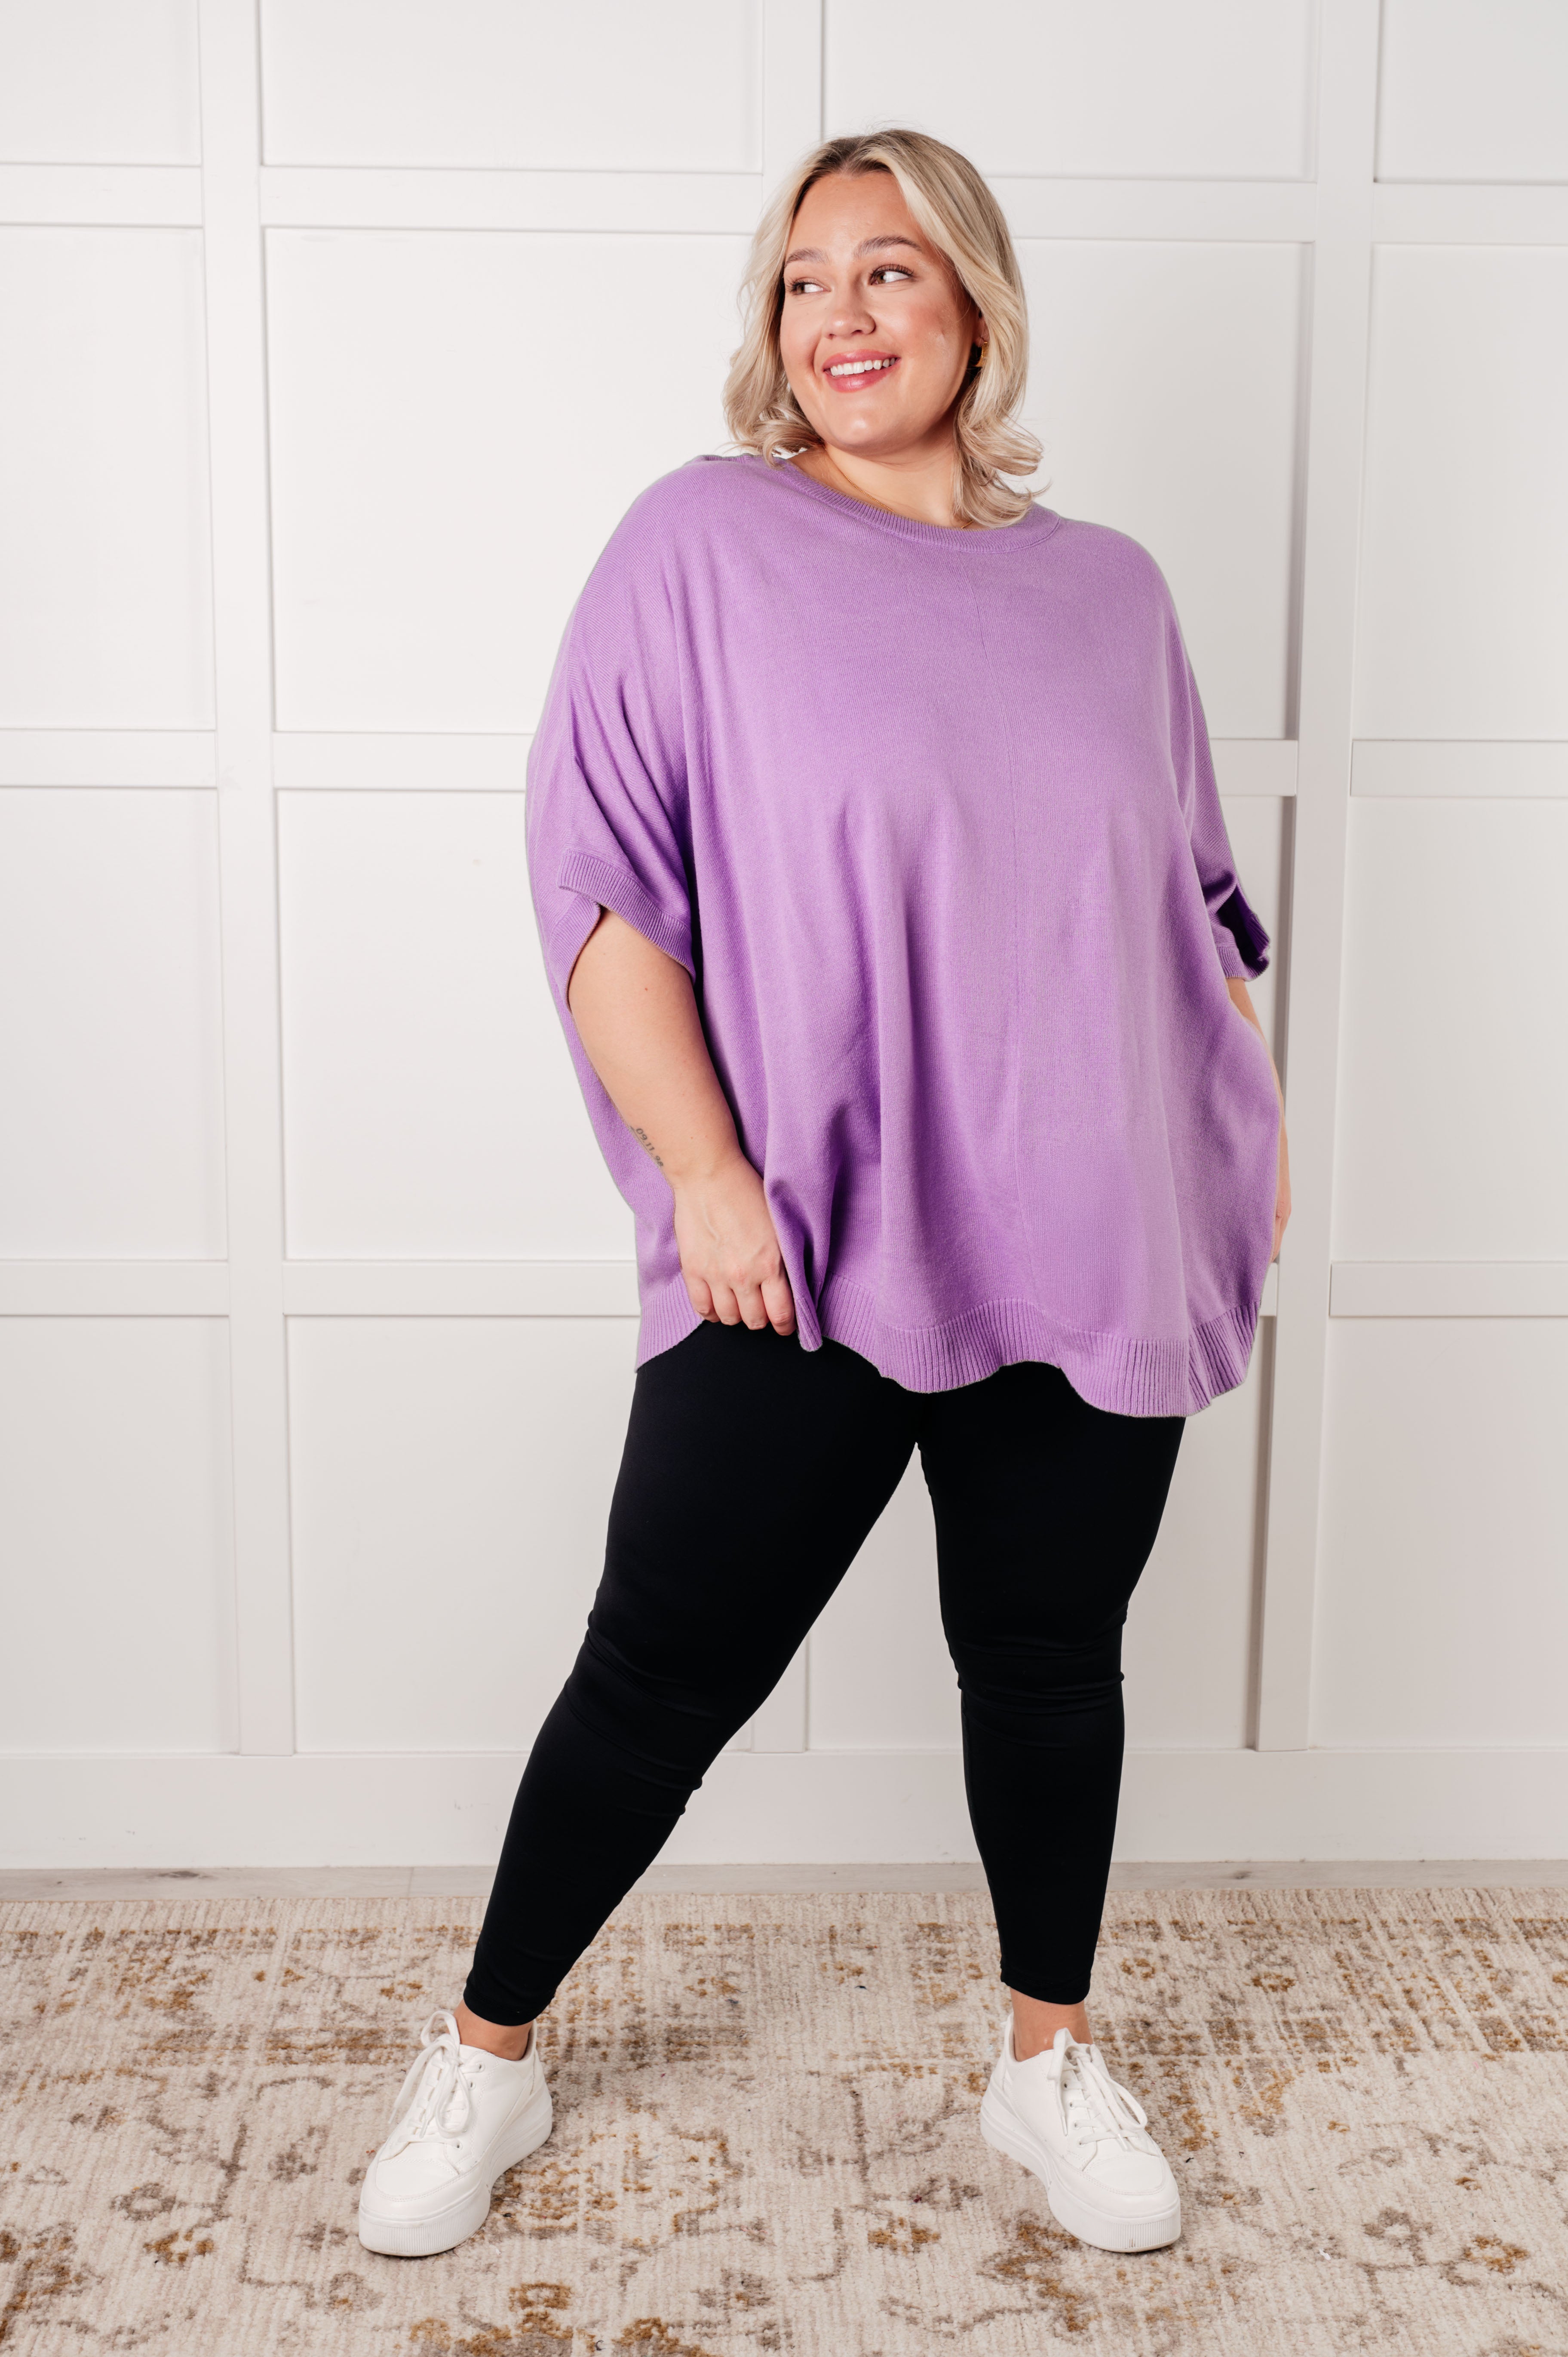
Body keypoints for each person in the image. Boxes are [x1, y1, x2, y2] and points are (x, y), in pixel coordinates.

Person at [356, 127, 1289, 2265]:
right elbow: (601, 887)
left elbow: (1188, 910)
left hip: (1098, 1230)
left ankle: (1047, 2064)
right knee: (658, 1676)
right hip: (804, 1244)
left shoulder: (1111, 591)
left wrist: (1254, 1141)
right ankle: (488, 2052)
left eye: (889, 271)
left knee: (1049, 1664)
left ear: (975, 305)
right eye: (803, 282)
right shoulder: (701, 546)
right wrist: (704, 1172)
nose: (841, 316)